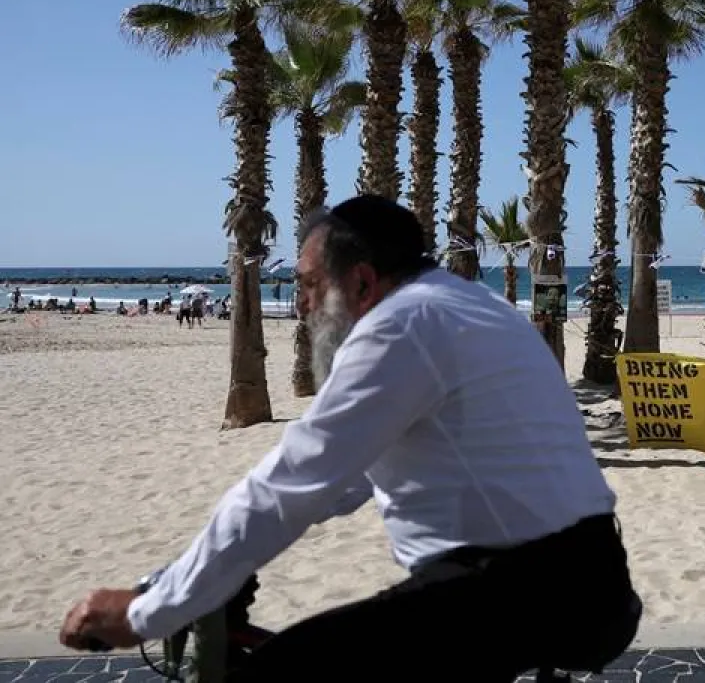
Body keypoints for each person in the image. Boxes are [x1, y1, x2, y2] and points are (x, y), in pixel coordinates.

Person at [59, 195, 642, 681]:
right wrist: (197, 570)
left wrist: (144, 613)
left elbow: (286, 489)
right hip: (585, 583)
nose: (304, 305)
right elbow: (342, 482)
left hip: (519, 594)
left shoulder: (401, 325)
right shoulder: (468, 304)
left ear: (362, 281)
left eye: (311, 285)